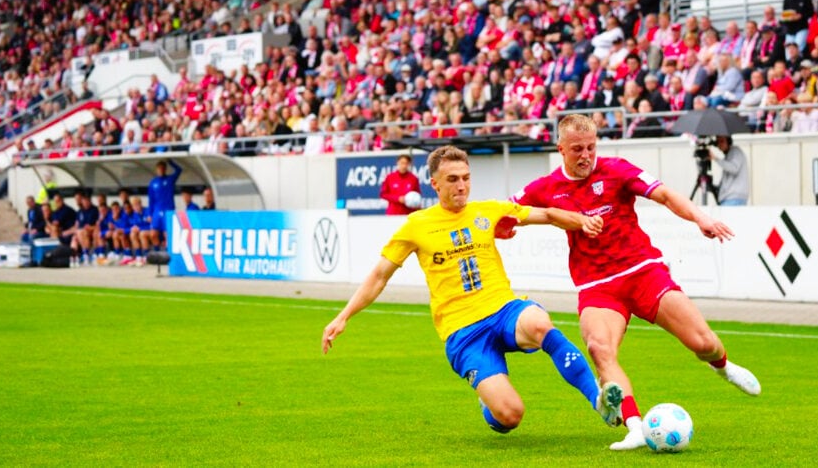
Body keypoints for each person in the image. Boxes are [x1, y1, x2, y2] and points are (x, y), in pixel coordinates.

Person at [322, 145, 624, 435]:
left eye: (466, 178)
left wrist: (581, 220)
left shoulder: (488, 211)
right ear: (435, 184)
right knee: (510, 415)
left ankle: (597, 399)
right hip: (463, 332)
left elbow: (545, 214)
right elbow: (378, 276)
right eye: (453, 179)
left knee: (540, 323)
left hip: (503, 309)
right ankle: (490, 404)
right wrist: (343, 316)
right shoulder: (416, 225)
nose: (462, 186)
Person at [506, 114, 760, 451]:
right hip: (598, 287)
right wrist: (505, 227)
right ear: (561, 149)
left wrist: (702, 218)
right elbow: (504, 216)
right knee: (600, 349)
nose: (586, 155)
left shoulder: (616, 169)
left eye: (591, 147)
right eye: (578, 149)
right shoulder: (546, 187)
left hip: (644, 272)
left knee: (704, 343)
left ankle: (724, 366)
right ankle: (635, 426)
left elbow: (666, 195)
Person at [148, 160, 182, 247]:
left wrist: (170, 161)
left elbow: (179, 170)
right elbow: (151, 200)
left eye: (163, 168)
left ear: (165, 169)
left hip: (168, 210)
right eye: (159, 168)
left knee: (167, 234)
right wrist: (150, 214)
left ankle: (168, 255)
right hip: (157, 211)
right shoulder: (153, 183)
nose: (161, 170)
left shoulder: (170, 179)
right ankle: (157, 253)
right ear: (156, 170)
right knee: (153, 234)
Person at [710, 135, 749, 206]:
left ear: (729, 141)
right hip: (729, 198)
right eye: (718, 142)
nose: (719, 144)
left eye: (722, 141)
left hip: (734, 198)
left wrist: (715, 158)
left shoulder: (735, 151)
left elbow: (733, 168)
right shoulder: (729, 155)